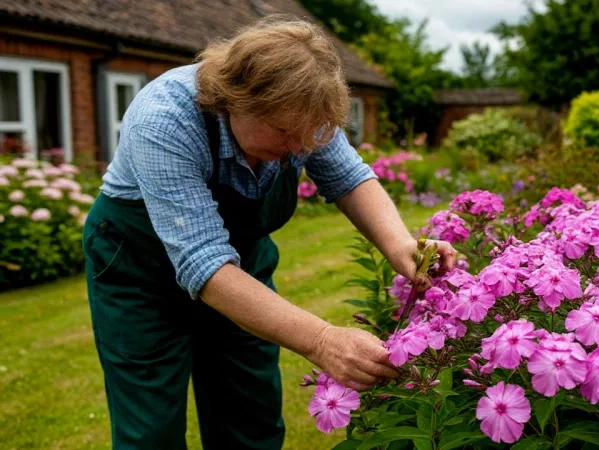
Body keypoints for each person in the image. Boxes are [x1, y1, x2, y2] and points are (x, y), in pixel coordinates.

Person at [82, 15, 456, 450]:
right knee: (149, 431)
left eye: (310, 136)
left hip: (241, 264)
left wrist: (401, 246)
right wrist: (321, 340)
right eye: (286, 133)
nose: (300, 148)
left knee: (250, 418)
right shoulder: (163, 120)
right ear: (236, 100)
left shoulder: (303, 115)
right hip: (139, 273)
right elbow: (204, 264)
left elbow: (349, 178)